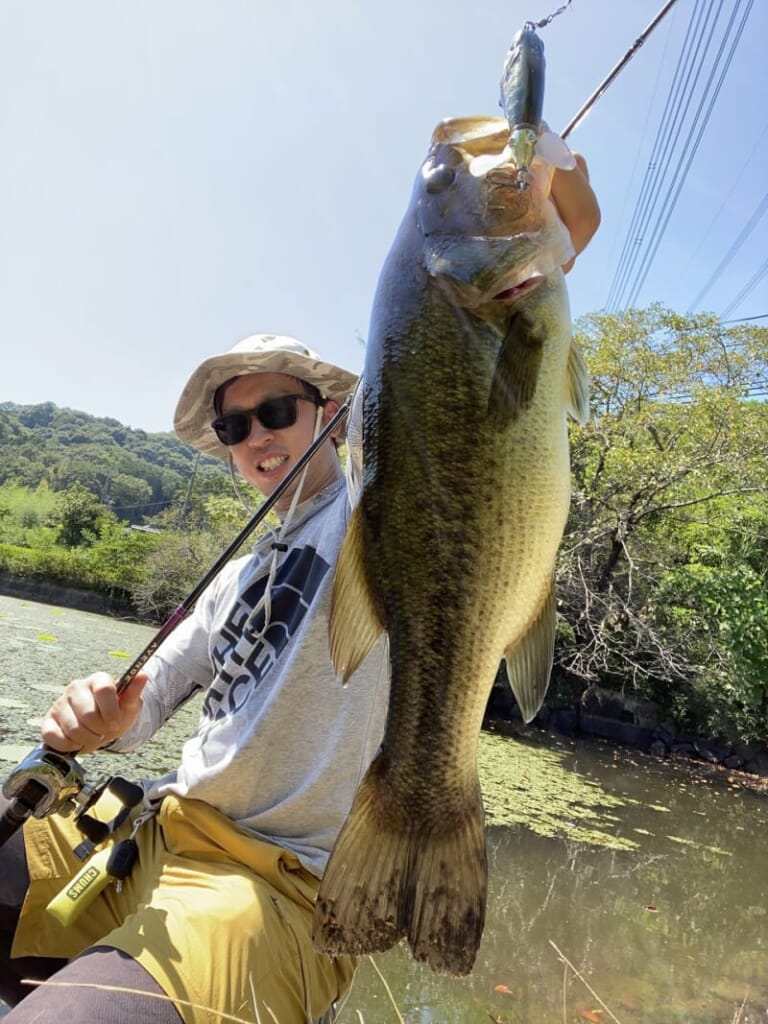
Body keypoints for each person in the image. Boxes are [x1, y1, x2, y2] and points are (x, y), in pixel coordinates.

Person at [0, 156, 599, 1024]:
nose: (254, 438)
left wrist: (543, 177)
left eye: (275, 411)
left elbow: (549, 250)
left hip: (268, 892)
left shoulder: (376, 497)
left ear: (329, 411)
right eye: (234, 427)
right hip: (150, 837)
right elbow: (149, 696)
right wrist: (99, 714)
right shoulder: (234, 577)